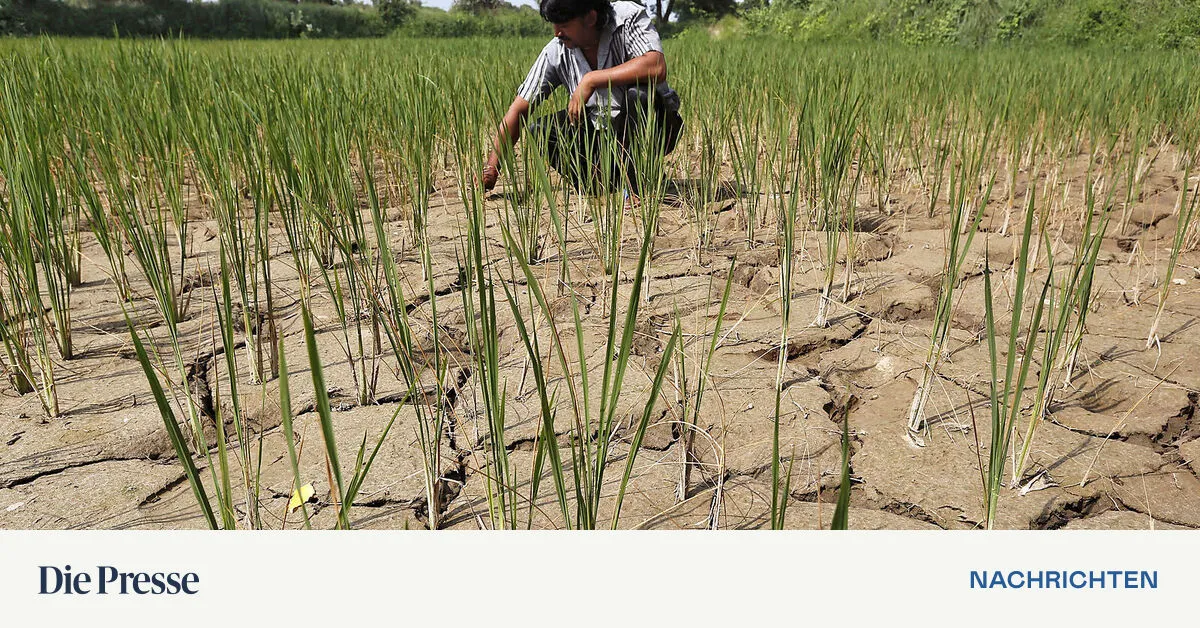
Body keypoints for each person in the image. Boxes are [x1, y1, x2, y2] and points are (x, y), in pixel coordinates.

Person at [481, 0, 683, 198]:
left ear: (590, 18)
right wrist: (492, 168)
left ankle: (639, 182)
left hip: (654, 125)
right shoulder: (556, 50)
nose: (557, 32)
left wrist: (592, 79)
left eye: (565, 25)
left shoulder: (627, 17)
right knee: (541, 130)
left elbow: (655, 66)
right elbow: (519, 110)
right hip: (600, 135)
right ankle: (600, 184)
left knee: (638, 96)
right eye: (555, 24)